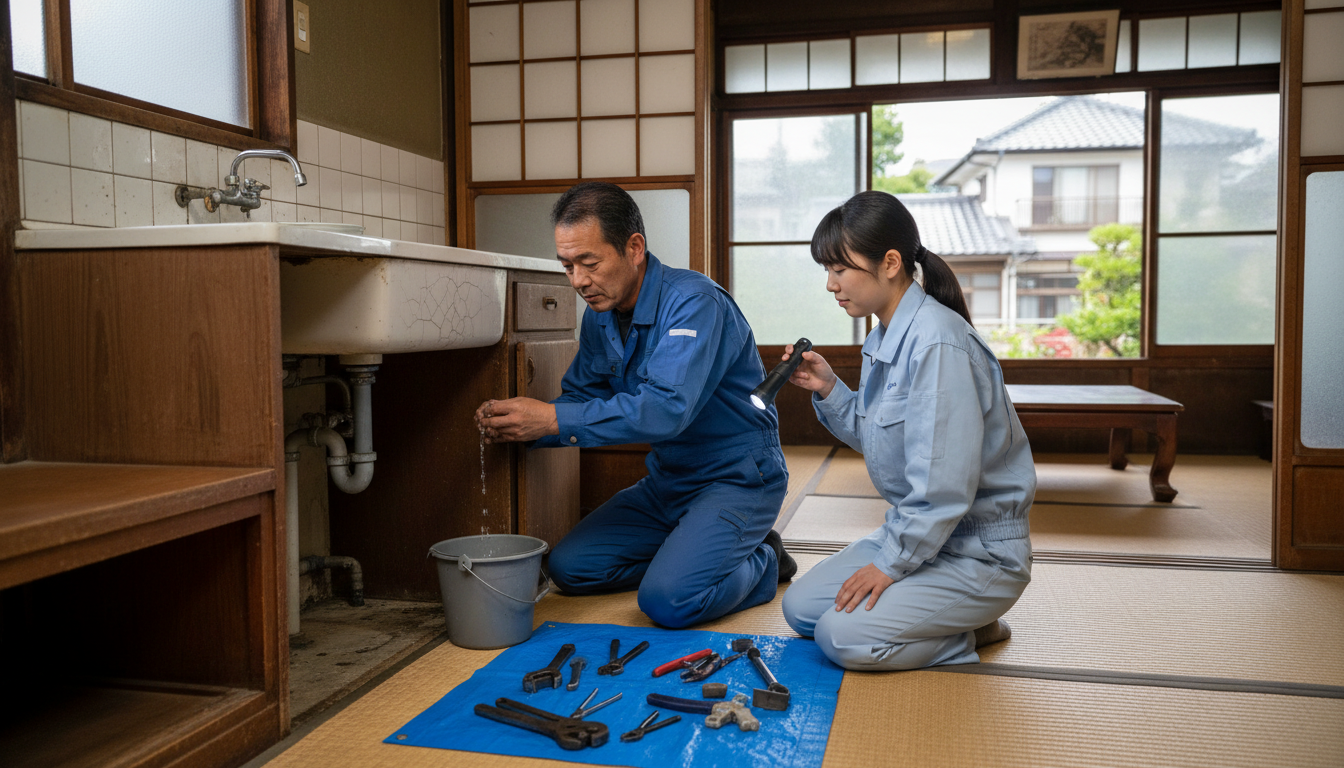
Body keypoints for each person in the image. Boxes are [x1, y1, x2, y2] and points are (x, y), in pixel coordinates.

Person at [475, 181, 795, 629]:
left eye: (589, 263)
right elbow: (582, 398)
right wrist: (520, 426)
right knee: (570, 568)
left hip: (738, 478)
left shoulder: (693, 303)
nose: (578, 281)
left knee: (668, 603)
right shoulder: (599, 316)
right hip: (669, 481)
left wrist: (549, 420)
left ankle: (763, 560)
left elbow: (665, 410)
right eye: (567, 266)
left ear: (634, 247)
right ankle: (694, 554)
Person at [779, 191, 1035, 671]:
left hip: (976, 552)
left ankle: (972, 630)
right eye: (827, 271)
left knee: (842, 638)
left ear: (891, 262)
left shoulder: (937, 343)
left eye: (840, 269)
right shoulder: (885, 336)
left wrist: (890, 564)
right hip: (924, 537)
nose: (831, 285)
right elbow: (881, 438)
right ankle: (935, 613)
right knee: (802, 609)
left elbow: (942, 487)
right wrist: (830, 387)